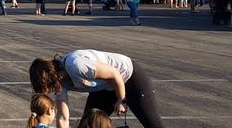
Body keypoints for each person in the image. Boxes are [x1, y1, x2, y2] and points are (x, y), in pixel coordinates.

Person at [29, 49, 164, 128]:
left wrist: (121, 100)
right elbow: (63, 118)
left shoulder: (77, 65)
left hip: (129, 78)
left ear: (52, 77)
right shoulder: (60, 83)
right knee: (87, 125)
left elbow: (115, 74)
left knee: (153, 125)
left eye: (48, 87)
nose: (51, 91)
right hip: (105, 88)